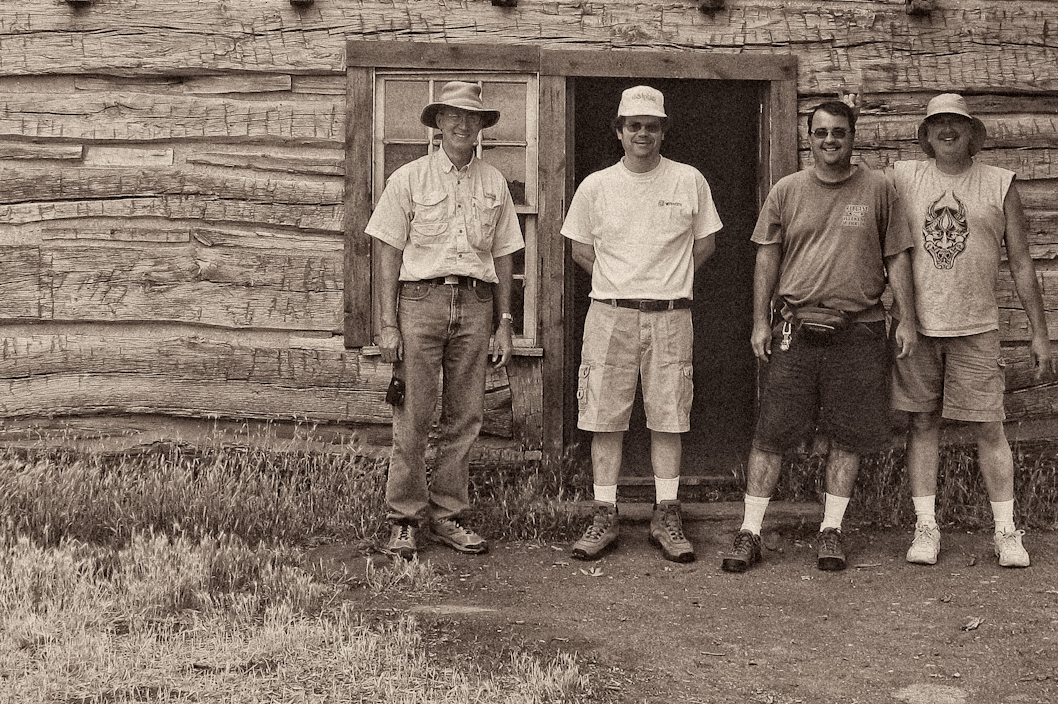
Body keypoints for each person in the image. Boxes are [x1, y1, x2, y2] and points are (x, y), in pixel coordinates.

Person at [724, 100, 918, 574]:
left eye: (839, 133)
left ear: (854, 136)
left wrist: (907, 318)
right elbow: (766, 258)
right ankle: (750, 531)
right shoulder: (787, 191)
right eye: (821, 133)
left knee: (847, 435)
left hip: (859, 330)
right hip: (795, 327)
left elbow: (896, 258)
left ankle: (831, 530)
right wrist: (759, 321)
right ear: (808, 138)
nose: (830, 141)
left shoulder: (879, 190)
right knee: (772, 432)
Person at [890, 92, 1052, 569]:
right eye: (937, 123)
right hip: (917, 327)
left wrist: (1039, 332)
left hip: (977, 327)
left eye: (956, 123)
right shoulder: (903, 177)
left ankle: (1005, 531)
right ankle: (926, 527)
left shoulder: (999, 183)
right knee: (922, 423)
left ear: (971, 133)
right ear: (925, 134)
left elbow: (1021, 263)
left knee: (988, 426)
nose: (947, 130)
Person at [560, 85, 721, 563]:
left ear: (663, 130)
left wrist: (664, 280)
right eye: (634, 126)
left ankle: (666, 512)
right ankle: (604, 513)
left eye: (652, 126)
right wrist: (622, 284)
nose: (643, 134)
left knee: (669, 415)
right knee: (603, 415)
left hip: (671, 314)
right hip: (610, 313)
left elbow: (706, 244)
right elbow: (580, 250)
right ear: (619, 131)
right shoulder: (596, 185)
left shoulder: (688, 180)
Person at [365, 80, 523, 558]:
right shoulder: (409, 179)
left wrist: (504, 321)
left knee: (465, 416)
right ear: (437, 123)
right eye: (452, 115)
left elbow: (503, 256)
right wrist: (388, 323)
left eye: (471, 117)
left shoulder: (494, 182)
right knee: (413, 416)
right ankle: (404, 520)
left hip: (476, 304)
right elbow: (386, 251)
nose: (461, 124)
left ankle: (447, 515)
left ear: (481, 127)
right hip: (420, 303)